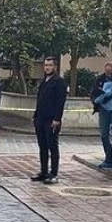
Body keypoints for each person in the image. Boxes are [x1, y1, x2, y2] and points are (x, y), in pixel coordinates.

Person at [31, 57, 68, 185]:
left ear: (55, 67)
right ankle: (44, 172)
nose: (47, 67)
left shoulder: (59, 82)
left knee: (52, 146)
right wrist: (35, 116)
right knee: (42, 146)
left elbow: (60, 102)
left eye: (50, 65)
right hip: (40, 118)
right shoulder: (43, 81)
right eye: (46, 65)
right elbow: (39, 100)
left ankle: (54, 173)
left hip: (51, 119)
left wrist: (57, 119)